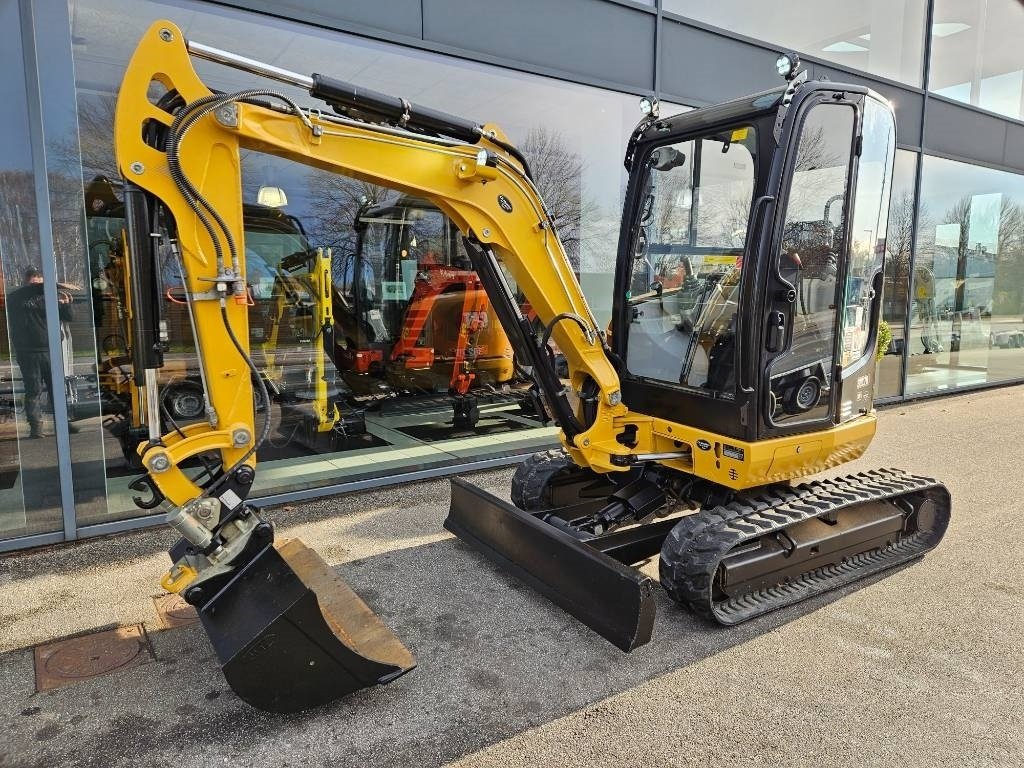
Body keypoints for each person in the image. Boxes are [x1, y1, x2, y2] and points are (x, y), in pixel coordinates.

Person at [7, 267, 76, 438]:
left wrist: (66, 305)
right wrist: (56, 285)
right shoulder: (17, 297)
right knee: (34, 389)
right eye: (35, 284)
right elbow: (31, 291)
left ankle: (64, 424)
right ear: (26, 283)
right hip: (28, 352)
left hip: (51, 350)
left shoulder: (49, 297)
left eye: (41, 284)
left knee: (56, 389)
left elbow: (68, 317)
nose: (39, 288)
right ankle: (36, 427)